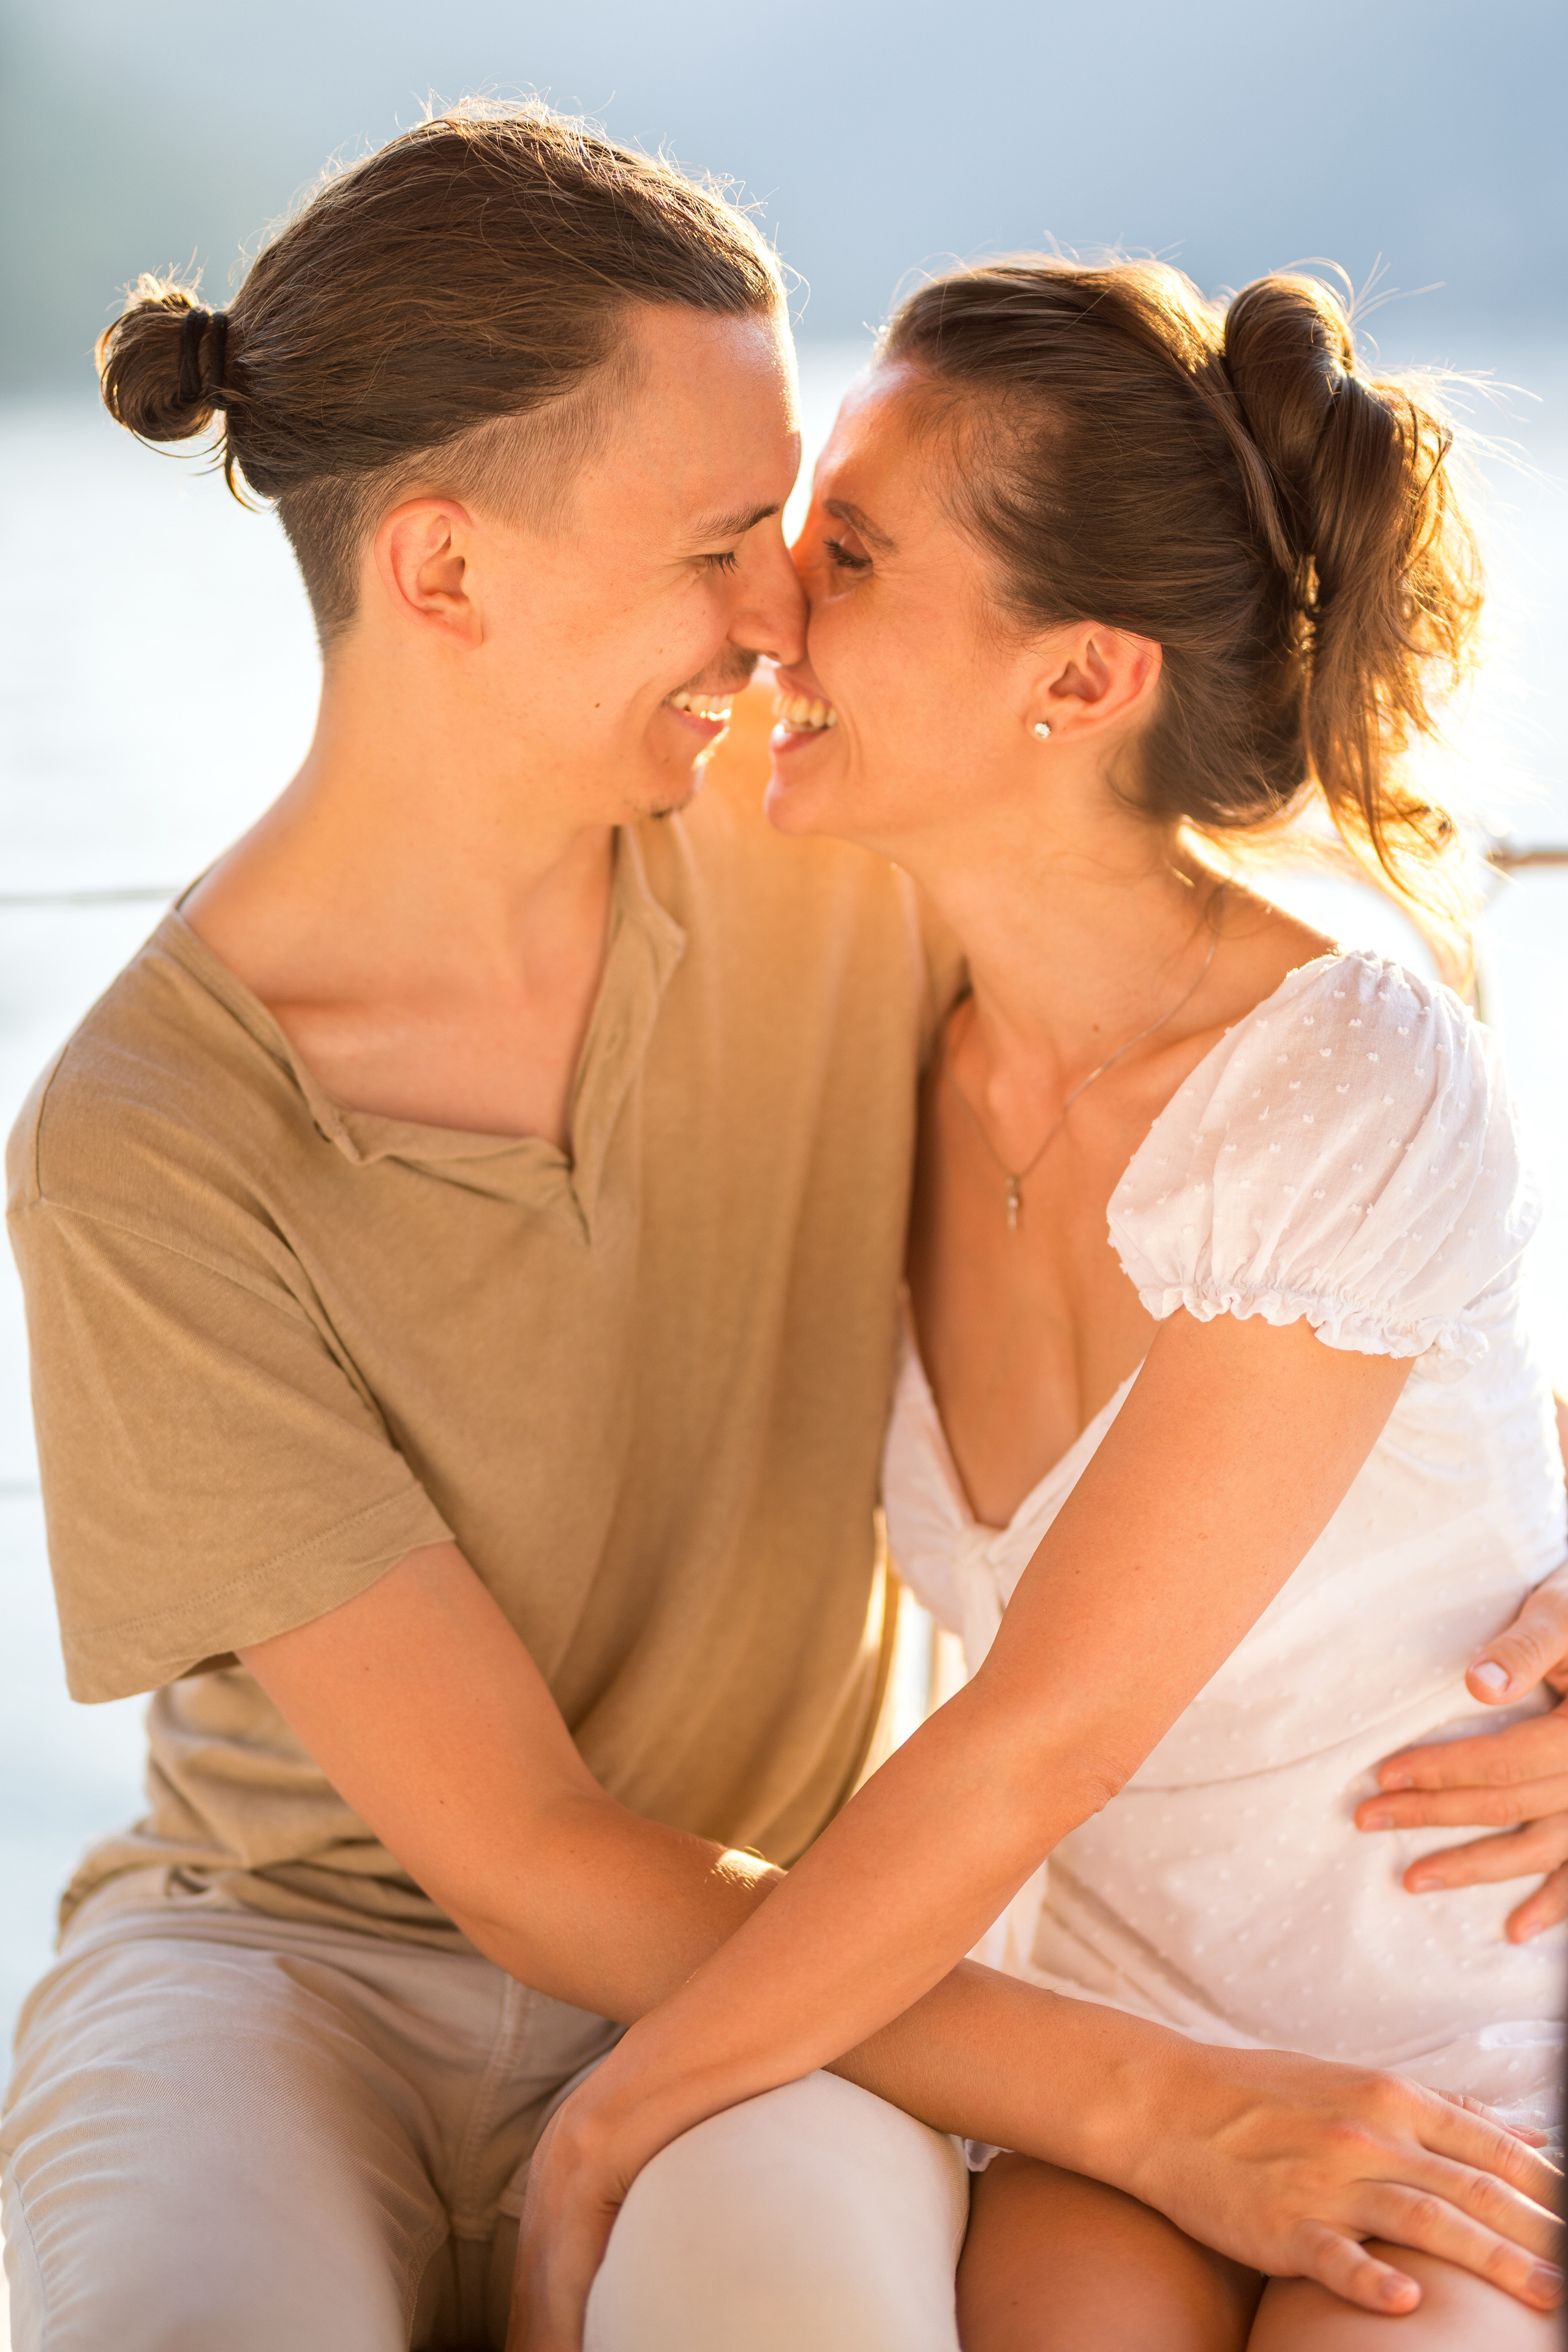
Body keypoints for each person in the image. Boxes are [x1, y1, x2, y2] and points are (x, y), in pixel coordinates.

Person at [1, 105, 1564, 2352]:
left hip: (834, 1917)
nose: (776, 625)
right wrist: (1147, 2105)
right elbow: (528, 1852)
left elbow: (1355, 1244)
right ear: (443, 573)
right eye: (739, 540)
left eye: (823, 545)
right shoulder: (144, 1139)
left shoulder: (840, 856)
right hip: (298, 1952)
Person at [511, 259, 1568, 2351]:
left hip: (1450, 2043)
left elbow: (1039, 1736)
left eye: (855, 553)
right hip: (1102, 2042)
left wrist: (606, 2128)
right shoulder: (891, 1025)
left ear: (1079, 686)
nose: (771, 600)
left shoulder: (1345, 1062)